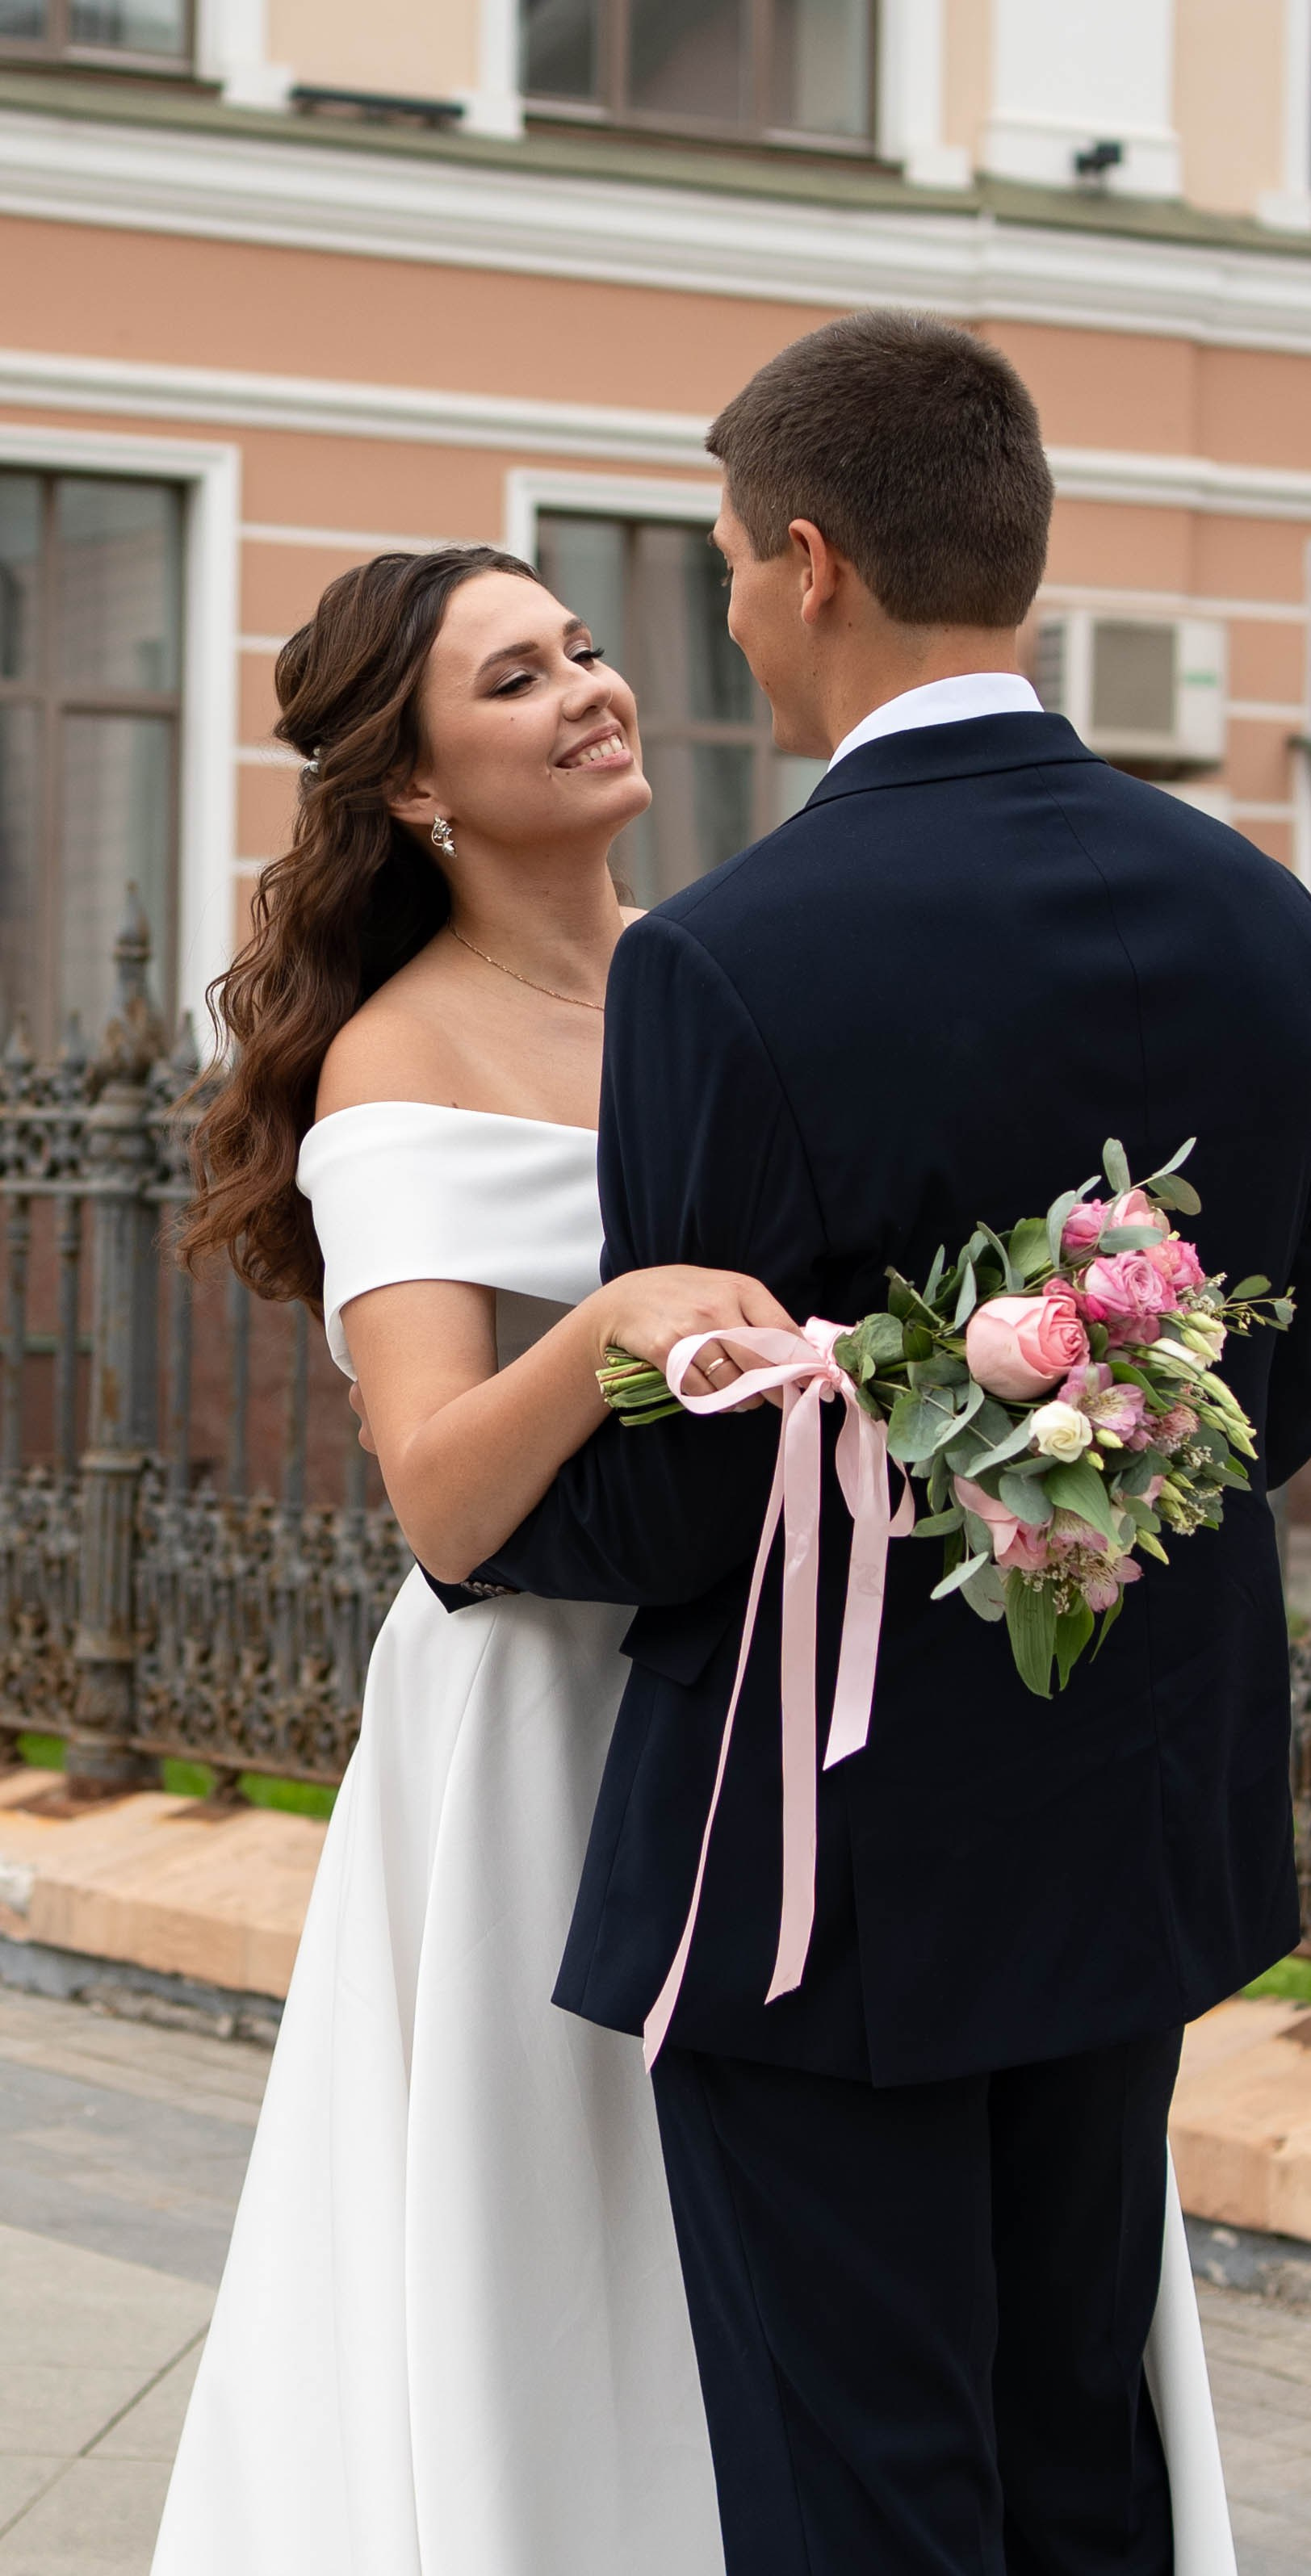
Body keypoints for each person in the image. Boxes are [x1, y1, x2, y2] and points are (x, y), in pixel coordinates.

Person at [431, 314, 1311, 2575]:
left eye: (726, 571)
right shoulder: (1267, 918)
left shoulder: (728, 959)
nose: (730, 620)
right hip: (1135, 1808)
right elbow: (1276, 1404)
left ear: (813, 562)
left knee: (862, 2490)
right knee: (1077, 2463)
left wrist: (473, 1525)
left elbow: (690, 1483)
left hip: (827, 1870)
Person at [153, 543, 789, 2575]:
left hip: (756, 1673)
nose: (589, 688)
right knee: (556, 2222)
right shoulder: (401, 1057)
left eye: (582, 649)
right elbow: (434, 1494)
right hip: (538, 1722)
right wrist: (611, 1328)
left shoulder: (714, 981)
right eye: (514, 678)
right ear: (415, 783)